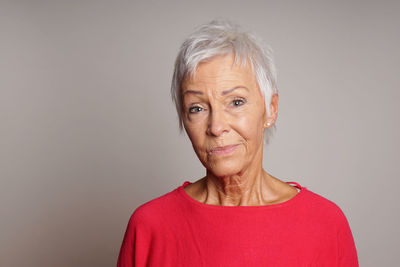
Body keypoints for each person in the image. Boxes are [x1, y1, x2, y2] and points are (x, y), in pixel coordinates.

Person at [117, 20, 359, 267]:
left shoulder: (326, 224)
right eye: (197, 108)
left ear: (270, 109)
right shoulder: (149, 226)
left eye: (236, 102)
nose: (216, 127)